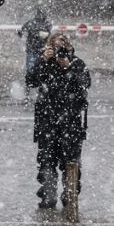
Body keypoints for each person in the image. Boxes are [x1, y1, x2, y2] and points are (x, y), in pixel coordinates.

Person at [26, 33, 91, 210]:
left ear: (68, 47)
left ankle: (70, 196)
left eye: (62, 47)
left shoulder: (77, 64)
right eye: (55, 47)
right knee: (46, 161)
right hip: (47, 121)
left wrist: (68, 67)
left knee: (71, 161)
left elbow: (85, 84)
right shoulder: (45, 63)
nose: (59, 52)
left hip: (70, 123)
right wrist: (42, 61)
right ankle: (48, 196)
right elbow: (30, 80)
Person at [18, 7, 51, 87]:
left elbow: (21, 32)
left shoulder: (30, 23)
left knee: (31, 67)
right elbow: (48, 35)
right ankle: (39, 82)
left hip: (32, 48)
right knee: (41, 66)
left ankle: (30, 83)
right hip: (41, 49)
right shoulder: (47, 23)